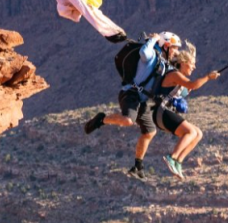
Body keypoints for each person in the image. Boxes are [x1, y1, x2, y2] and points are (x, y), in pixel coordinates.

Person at [84, 32, 181, 180]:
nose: (176, 51)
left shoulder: (164, 63)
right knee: (128, 120)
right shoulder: (152, 55)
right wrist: (154, 39)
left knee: (149, 132)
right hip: (130, 94)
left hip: (142, 101)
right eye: (174, 48)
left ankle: (138, 166)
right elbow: (143, 52)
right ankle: (101, 119)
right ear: (166, 45)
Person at [153, 41, 218, 179]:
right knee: (190, 131)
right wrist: (207, 77)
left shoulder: (179, 79)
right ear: (183, 62)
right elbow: (193, 85)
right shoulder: (174, 75)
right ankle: (172, 157)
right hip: (162, 112)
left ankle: (178, 162)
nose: (194, 67)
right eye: (192, 64)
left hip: (166, 113)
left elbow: (187, 88)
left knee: (198, 134)